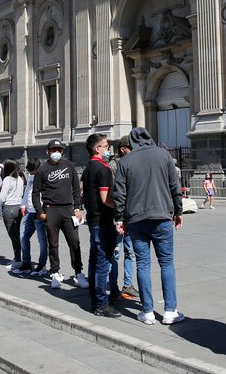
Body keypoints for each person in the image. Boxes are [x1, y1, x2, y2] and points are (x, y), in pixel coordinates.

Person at [114, 127, 184, 325]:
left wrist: (118, 218)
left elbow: (119, 193)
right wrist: (178, 211)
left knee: (143, 264)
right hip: (162, 217)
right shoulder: (163, 155)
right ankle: (170, 310)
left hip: (135, 220)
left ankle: (147, 312)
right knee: (167, 263)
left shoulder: (125, 161)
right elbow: (174, 186)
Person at [32, 140, 88, 289]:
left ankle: (78, 273)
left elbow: (76, 189)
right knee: (53, 244)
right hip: (51, 210)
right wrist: (40, 212)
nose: (56, 152)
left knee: (74, 242)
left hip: (68, 209)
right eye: (53, 149)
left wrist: (77, 208)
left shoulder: (69, 166)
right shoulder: (42, 170)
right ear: (47, 152)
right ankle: (55, 273)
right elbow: (35, 193)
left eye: (59, 149)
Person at [83, 133, 122, 317]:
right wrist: (120, 207)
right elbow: (106, 198)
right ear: (97, 148)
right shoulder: (103, 169)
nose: (108, 149)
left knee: (94, 260)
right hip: (103, 220)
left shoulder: (88, 167)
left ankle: (94, 297)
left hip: (92, 218)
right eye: (106, 146)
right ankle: (100, 303)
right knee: (103, 263)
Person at [112, 135, 138, 300]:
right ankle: (113, 286)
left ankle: (128, 285)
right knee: (115, 251)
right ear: (123, 149)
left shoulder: (131, 164)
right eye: (131, 149)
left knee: (130, 252)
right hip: (117, 216)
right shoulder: (113, 166)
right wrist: (117, 217)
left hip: (130, 215)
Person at [16, 158, 48, 275]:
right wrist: (23, 205)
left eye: (33, 173)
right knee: (23, 237)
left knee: (42, 240)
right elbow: (28, 190)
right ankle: (26, 264)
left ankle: (41, 265)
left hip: (39, 212)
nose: (31, 175)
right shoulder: (30, 176)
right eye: (30, 173)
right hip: (29, 211)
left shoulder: (44, 175)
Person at [0, 159, 24, 268]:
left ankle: (18, 260)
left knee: (13, 236)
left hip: (9, 208)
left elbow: (2, 197)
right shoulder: (20, 179)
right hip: (18, 207)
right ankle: (18, 257)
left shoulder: (7, 179)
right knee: (17, 235)